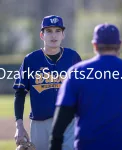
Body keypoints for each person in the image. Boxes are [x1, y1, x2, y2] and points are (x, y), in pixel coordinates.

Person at [49, 23, 122, 150]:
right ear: (119, 45)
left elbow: (62, 118)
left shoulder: (77, 72)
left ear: (94, 45)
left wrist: (55, 145)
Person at [13, 15, 82, 150]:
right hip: (40, 123)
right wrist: (19, 126)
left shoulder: (73, 57)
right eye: (49, 31)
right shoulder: (31, 60)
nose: (53, 35)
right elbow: (20, 93)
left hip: (68, 122)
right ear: (41, 35)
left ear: (63, 34)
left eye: (57, 30)